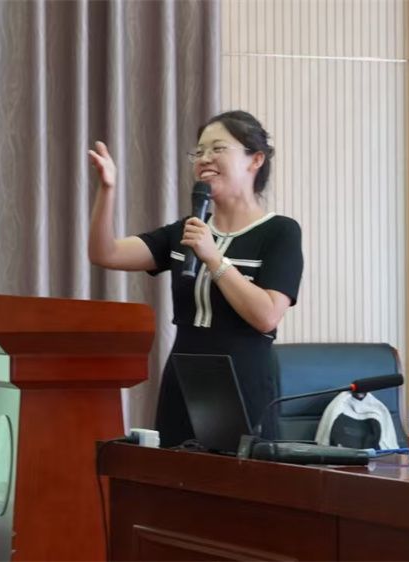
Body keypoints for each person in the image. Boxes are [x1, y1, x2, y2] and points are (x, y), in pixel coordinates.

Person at [87, 110, 304, 447]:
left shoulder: (280, 232)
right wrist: (107, 189)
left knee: (238, 478)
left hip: (243, 382)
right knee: (175, 476)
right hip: (184, 378)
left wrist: (214, 258)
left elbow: (266, 315)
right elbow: (105, 253)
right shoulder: (186, 230)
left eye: (218, 149)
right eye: (199, 151)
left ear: (255, 159)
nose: (205, 159)